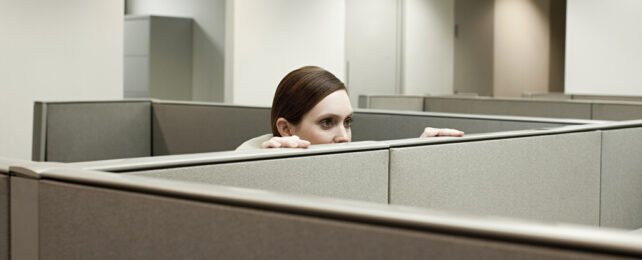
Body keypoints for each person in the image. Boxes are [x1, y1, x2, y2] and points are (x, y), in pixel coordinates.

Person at [236, 66, 463, 150]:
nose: (344, 137)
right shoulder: (244, 174)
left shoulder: (351, 170)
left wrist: (416, 154)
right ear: (286, 129)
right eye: (327, 123)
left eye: (347, 122)